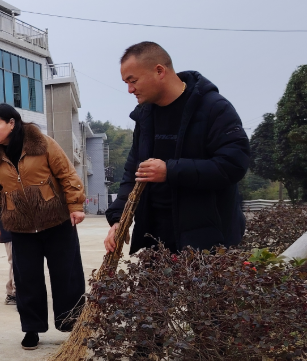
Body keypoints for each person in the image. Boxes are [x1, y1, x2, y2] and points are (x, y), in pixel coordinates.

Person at [104, 42, 250, 255]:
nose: (130, 89)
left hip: (208, 241)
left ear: (159, 71)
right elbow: (133, 173)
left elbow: (234, 164)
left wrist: (169, 171)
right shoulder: (145, 116)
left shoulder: (214, 108)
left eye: (133, 81)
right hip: (156, 241)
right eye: (126, 82)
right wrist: (118, 219)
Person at [0, 103, 87, 350]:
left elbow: (67, 175)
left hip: (57, 222)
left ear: (12, 123)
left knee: (67, 277)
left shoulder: (43, 144)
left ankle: (71, 324)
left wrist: (75, 206)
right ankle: (31, 329)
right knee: (27, 280)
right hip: (21, 228)